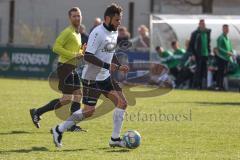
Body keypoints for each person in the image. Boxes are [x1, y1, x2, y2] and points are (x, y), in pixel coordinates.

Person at [51, 3, 129, 148]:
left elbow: (111, 52)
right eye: (117, 20)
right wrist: (107, 66)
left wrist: (118, 66)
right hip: (91, 79)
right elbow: (88, 56)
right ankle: (59, 129)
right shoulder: (97, 33)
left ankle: (115, 139)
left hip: (105, 77)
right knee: (89, 111)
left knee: (122, 103)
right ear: (107, 18)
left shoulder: (115, 32)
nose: (119, 23)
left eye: (120, 20)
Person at [29, 7, 86, 132]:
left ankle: (71, 125)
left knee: (78, 95)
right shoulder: (68, 32)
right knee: (66, 99)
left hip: (73, 68)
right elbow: (56, 47)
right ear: (70, 18)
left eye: (79, 15)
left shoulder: (77, 33)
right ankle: (37, 112)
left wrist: (82, 51)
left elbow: (75, 53)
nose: (77, 18)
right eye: (74, 16)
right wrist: (73, 54)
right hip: (65, 68)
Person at [189, 19, 211, 89]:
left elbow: (208, 43)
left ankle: (202, 86)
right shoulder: (195, 33)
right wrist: (192, 54)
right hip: (198, 54)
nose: (203, 25)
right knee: (198, 70)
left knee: (204, 71)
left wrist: (209, 52)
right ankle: (196, 85)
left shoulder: (207, 32)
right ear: (199, 24)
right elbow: (191, 45)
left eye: (204, 24)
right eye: (201, 24)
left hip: (205, 54)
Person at [216, 24, 233, 90]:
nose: (226, 30)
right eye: (225, 28)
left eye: (227, 28)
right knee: (220, 72)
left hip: (226, 58)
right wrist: (227, 52)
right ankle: (218, 86)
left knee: (224, 72)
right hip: (221, 57)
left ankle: (222, 86)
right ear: (223, 29)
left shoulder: (228, 38)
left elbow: (230, 46)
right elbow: (219, 47)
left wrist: (231, 52)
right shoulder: (221, 37)